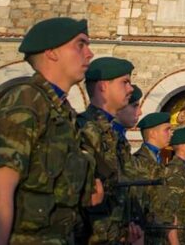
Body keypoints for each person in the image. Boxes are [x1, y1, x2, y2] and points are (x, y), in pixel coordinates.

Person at [0, 16, 102, 245]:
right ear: (51, 52)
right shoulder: (25, 100)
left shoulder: (62, 112)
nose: (89, 54)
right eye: (80, 45)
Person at [77, 55, 141, 244]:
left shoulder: (113, 134)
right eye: (125, 82)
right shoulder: (83, 129)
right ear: (103, 86)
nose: (130, 89)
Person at [124, 111, 179, 244]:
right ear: (153, 133)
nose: (171, 134)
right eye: (167, 130)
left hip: (159, 237)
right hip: (146, 237)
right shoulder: (140, 163)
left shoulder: (157, 161)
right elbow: (136, 203)